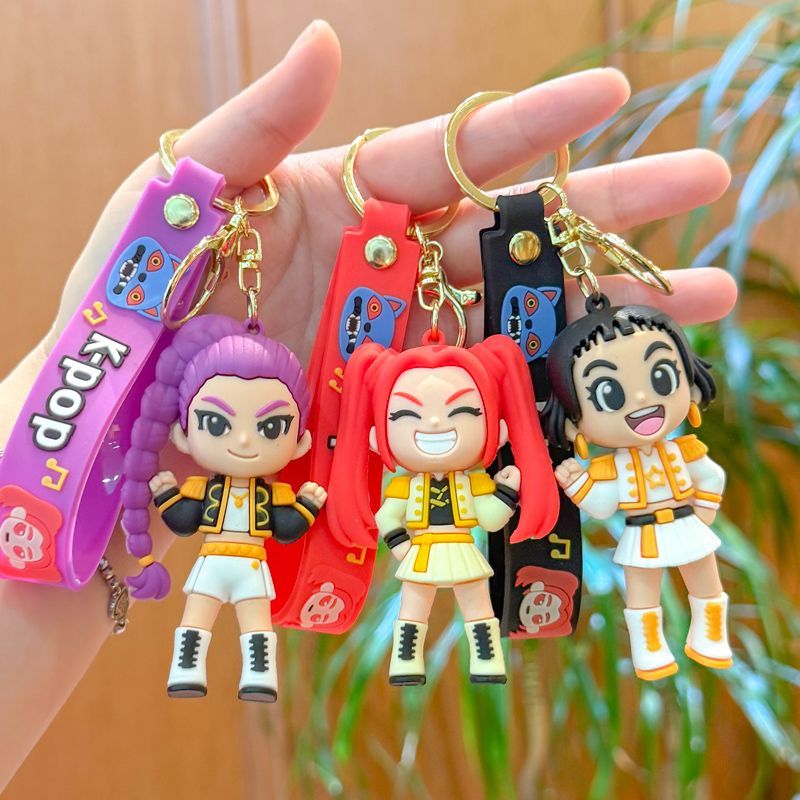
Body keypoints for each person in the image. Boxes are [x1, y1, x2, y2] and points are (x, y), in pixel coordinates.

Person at [0, 19, 737, 789]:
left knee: (468, 606)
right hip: (288, 545)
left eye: (460, 416)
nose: (437, 428)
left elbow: (513, 495)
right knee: (307, 609)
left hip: (470, 538)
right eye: (414, 417)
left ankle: (574, 638)